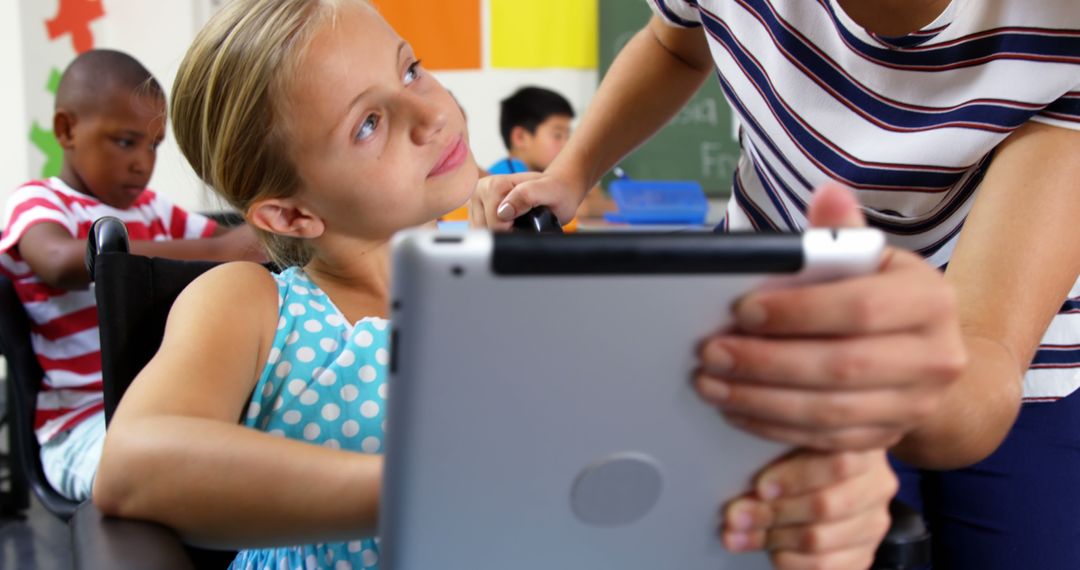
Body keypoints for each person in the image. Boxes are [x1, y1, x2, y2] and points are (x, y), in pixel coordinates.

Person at [93, 1, 898, 569]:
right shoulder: (254, 303)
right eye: (367, 124)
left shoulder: (508, 283)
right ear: (291, 213)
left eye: (410, 67)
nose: (431, 112)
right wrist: (429, 485)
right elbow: (134, 465)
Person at [471, 1, 1080, 567]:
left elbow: (986, 354)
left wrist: (887, 381)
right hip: (769, 310)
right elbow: (675, 43)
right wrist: (572, 169)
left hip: (1015, 334)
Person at [0, 49, 265, 501]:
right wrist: (221, 249)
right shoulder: (41, 202)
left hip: (164, 407)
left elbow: (243, 244)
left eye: (153, 145)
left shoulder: (153, 210)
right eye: (126, 142)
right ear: (67, 130)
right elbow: (61, 261)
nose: (143, 162)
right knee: (182, 478)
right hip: (83, 426)